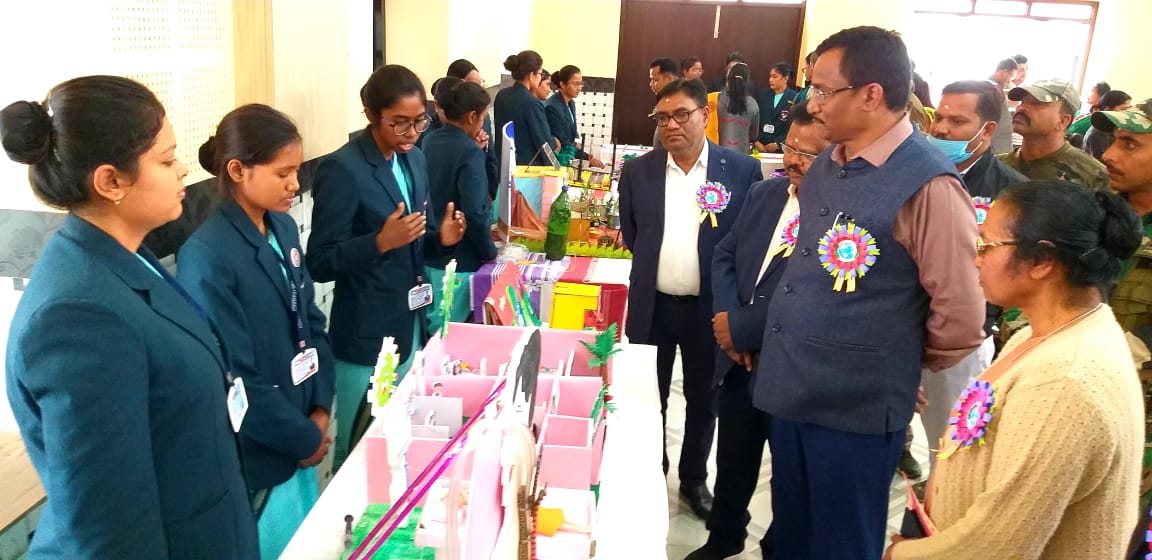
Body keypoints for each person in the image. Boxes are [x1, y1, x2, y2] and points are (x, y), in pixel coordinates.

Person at [752, 27, 986, 559]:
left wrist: (895, 364)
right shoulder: (827, 164)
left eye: (822, 90)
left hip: (855, 413)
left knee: (840, 545)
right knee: (791, 538)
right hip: (793, 393)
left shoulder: (929, 185)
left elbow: (961, 314)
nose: (811, 103)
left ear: (871, 94)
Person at [1, 75, 258, 557]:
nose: (183, 169)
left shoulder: (124, 257)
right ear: (110, 181)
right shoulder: (76, 319)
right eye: (165, 160)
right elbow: (110, 529)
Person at [885, 182, 1143, 560]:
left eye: (986, 246)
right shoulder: (1043, 334)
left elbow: (999, 545)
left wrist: (900, 556)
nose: (976, 259)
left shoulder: (1065, 380)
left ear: (1041, 261)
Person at [176, 104, 334, 559]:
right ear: (237, 170)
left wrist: (321, 408)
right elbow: (235, 378)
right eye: (282, 173)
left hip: (304, 422)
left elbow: (312, 323)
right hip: (262, 447)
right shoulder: (208, 256)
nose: (295, 184)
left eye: (297, 171)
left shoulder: (281, 227)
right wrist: (302, 436)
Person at [307, 65, 467, 471]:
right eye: (399, 123)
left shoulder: (414, 159)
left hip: (410, 325)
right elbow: (320, 261)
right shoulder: (343, 169)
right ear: (370, 114)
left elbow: (413, 238)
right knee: (361, 450)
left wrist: (441, 238)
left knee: (403, 441)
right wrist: (378, 242)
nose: (411, 133)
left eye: (419, 121)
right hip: (366, 334)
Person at [688, 100, 828, 560]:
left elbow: (809, 292)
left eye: (808, 154)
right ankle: (724, 536)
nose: (793, 160)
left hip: (791, 368)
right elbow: (725, 254)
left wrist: (743, 329)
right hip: (739, 361)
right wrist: (729, 321)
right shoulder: (765, 194)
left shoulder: (837, 218)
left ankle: (776, 546)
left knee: (789, 472)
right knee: (733, 458)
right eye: (790, 147)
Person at [619, 77, 763, 520]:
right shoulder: (638, 172)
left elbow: (746, 246)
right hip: (653, 307)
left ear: (705, 114)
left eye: (682, 114)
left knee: (705, 399)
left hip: (710, 311)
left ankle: (694, 478)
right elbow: (634, 237)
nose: (671, 125)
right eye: (662, 117)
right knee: (649, 397)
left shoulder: (741, 171)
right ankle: (652, 471)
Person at [920, 79, 1027, 468]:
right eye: (939, 118)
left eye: (957, 122)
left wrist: (984, 321)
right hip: (901, 325)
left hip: (960, 339)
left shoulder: (1012, 193)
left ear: (987, 131)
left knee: (952, 445)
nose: (941, 129)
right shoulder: (915, 173)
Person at [1092, 101, 1152, 555]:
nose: (1109, 155)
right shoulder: (1097, 215)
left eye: (1130, 145)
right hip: (1078, 400)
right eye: (1114, 142)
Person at [421, 79, 499, 323]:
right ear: (472, 116)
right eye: (483, 117)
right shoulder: (469, 151)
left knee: (431, 327)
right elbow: (475, 211)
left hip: (430, 249)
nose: (483, 123)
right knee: (449, 331)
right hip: (459, 260)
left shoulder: (430, 140)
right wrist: (490, 251)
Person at [998, 79, 1110, 190]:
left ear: (1063, 121)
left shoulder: (1093, 176)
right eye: (1022, 102)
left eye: (1036, 103)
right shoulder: (996, 167)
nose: (1022, 108)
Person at [445, 59, 500, 200]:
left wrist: (492, 191)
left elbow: (490, 154)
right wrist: (472, 146)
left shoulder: (483, 114)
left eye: (481, 82)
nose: (480, 88)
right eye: (474, 84)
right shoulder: (445, 121)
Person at [493, 50, 556, 166]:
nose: (540, 78)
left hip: (503, 163)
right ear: (531, 75)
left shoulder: (502, 95)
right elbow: (544, 142)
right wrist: (554, 144)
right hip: (526, 168)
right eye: (540, 74)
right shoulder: (532, 103)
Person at [544, 65, 605, 167]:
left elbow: (573, 130)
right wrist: (588, 157)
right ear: (563, 84)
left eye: (581, 83)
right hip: (560, 159)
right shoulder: (552, 107)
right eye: (575, 84)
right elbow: (563, 141)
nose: (579, 88)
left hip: (571, 155)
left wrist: (577, 142)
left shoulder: (571, 103)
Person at [754, 62, 801, 154]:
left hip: (780, 147)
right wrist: (756, 140)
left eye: (774, 77)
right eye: (770, 76)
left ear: (785, 78)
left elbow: (794, 126)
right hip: (760, 144)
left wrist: (778, 144)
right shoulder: (763, 95)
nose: (770, 80)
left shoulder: (794, 97)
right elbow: (756, 119)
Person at [715, 62, 759, 152]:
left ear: (728, 78)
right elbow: (754, 134)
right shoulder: (752, 104)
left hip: (717, 153)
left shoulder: (715, 99)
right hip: (741, 154)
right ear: (747, 81)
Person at [1082, 90, 1133, 160]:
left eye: (1129, 109)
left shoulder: (1115, 128)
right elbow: (1102, 162)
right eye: (1123, 109)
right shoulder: (1099, 132)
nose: (1127, 113)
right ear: (1108, 109)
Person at [988, 57, 1018, 155]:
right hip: (996, 146)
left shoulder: (994, 88)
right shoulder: (991, 89)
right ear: (1003, 72)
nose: (1009, 81)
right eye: (1011, 76)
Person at [649, 58, 680, 148]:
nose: (651, 84)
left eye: (655, 80)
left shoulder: (681, 101)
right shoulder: (666, 99)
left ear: (669, 78)